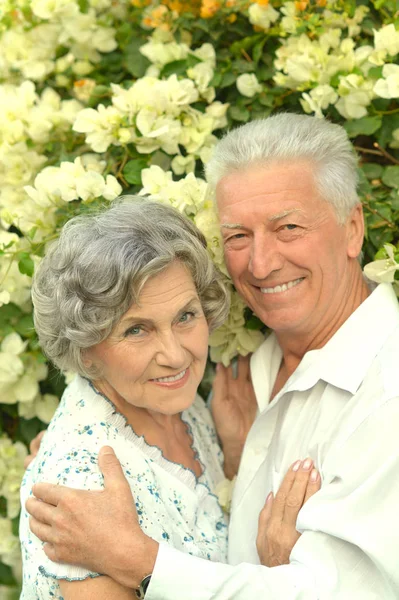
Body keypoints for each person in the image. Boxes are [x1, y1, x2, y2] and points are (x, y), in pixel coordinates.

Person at [27, 113, 399, 598]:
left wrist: (139, 560)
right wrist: (238, 463)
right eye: (238, 236)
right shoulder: (235, 371)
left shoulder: (385, 396)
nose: (261, 264)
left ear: (353, 230)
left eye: (287, 227)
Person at [22, 195, 319, 599]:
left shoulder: (179, 405)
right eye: (136, 330)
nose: (177, 355)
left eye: (185, 316)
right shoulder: (85, 487)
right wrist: (276, 574)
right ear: (86, 350)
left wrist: (235, 457)